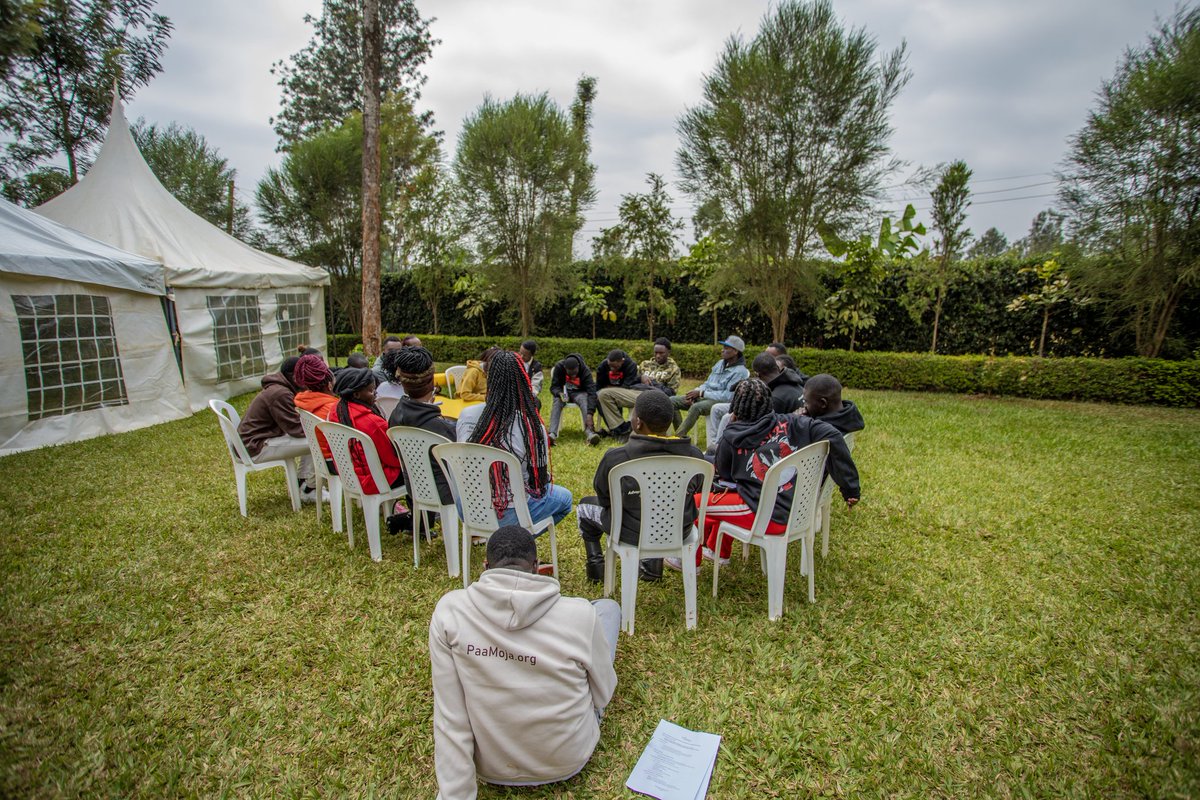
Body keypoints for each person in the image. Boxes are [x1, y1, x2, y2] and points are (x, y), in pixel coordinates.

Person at [429, 525, 619, 800]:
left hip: (490, 766)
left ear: (485, 566)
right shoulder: (579, 613)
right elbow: (603, 695)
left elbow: (450, 717)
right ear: (537, 566)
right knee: (608, 610)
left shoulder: (450, 612)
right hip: (568, 759)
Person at [667, 379, 859, 570]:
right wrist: (850, 487)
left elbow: (724, 475)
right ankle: (719, 552)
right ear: (769, 402)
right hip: (794, 506)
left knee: (695, 503)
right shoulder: (794, 422)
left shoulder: (732, 435)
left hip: (768, 515)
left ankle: (689, 561)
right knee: (726, 495)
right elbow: (833, 435)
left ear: (735, 407)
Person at [576, 390, 705, 583]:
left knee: (584, 507)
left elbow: (604, 497)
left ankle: (596, 570)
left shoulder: (616, 458)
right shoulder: (694, 455)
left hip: (628, 530)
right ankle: (651, 568)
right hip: (678, 530)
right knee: (657, 510)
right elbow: (698, 488)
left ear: (637, 423)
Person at [456, 351, 574, 528]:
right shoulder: (531, 426)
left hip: (468, 507)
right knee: (565, 499)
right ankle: (513, 541)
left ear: (488, 378)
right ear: (523, 381)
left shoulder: (466, 415)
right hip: (508, 513)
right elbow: (538, 482)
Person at [385, 346, 457, 515]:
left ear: (402, 383)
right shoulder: (442, 427)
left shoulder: (395, 416)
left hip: (414, 489)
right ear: (432, 381)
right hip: (447, 493)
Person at [236, 356, 318, 502]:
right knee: (318, 441)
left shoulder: (280, 389)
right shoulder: (280, 393)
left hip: (254, 442)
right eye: (305, 376)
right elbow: (296, 430)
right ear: (295, 377)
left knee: (315, 438)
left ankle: (303, 482)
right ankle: (308, 489)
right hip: (255, 447)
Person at [706, 351, 807, 454]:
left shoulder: (776, 398)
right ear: (776, 367)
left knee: (712, 450)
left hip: (781, 447)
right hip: (800, 441)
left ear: (757, 374)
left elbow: (757, 432)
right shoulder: (793, 382)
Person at [326, 367, 404, 497]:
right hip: (376, 481)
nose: (375, 394)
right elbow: (393, 459)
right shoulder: (373, 423)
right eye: (371, 390)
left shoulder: (336, 410)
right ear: (356, 394)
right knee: (416, 469)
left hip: (350, 476)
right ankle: (419, 514)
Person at [670, 335, 750, 438]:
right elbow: (708, 383)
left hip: (720, 402)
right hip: (704, 396)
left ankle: (678, 437)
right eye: (723, 348)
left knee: (696, 407)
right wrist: (696, 392)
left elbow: (727, 397)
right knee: (671, 401)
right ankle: (681, 435)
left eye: (726, 348)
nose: (722, 351)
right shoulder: (720, 363)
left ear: (735, 351)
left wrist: (702, 394)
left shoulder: (740, 372)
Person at [292, 353, 339, 472]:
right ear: (329, 385)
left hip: (321, 459)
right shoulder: (332, 409)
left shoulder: (305, 401)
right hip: (338, 462)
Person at [548, 353, 600, 446]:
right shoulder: (559, 367)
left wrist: (590, 414)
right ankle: (552, 434)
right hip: (563, 393)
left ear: (578, 367)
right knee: (557, 401)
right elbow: (554, 387)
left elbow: (592, 393)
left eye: (575, 373)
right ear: (565, 367)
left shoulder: (585, 371)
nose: (572, 376)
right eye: (570, 373)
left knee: (584, 399)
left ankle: (590, 433)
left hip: (579, 393)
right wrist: (559, 393)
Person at [594, 349, 641, 438]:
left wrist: (611, 389)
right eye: (610, 366)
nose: (612, 369)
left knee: (606, 395)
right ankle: (616, 429)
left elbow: (627, 386)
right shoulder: (603, 366)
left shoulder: (631, 365)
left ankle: (622, 429)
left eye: (615, 367)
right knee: (599, 397)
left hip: (626, 392)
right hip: (607, 392)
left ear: (622, 361)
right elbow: (599, 385)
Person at [799, 373, 865, 435]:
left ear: (823, 403)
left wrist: (796, 421)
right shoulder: (849, 419)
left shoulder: (821, 431)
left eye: (806, 402)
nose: (804, 406)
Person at [518, 339, 544, 408]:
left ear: (532, 355)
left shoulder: (536, 367)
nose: (521, 356)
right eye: (520, 353)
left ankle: (531, 419)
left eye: (525, 355)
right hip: (514, 394)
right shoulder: (514, 361)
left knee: (536, 403)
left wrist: (526, 395)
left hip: (528, 395)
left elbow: (536, 386)